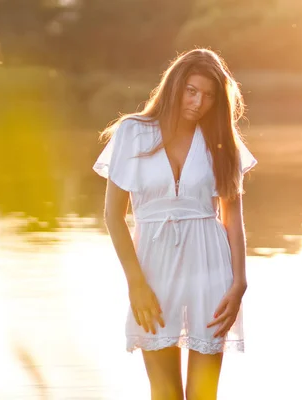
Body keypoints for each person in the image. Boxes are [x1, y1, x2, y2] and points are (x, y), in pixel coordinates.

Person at [92, 48, 257, 400]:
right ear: (175, 86)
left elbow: (233, 217)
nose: (198, 102)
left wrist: (240, 282)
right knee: (164, 392)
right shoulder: (133, 133)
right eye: (191, 90)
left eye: (209, 95)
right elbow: (113, 216)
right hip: (154, 270)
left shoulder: (222, 142)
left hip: (212, 269)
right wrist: (135, 282)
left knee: (203, 394)